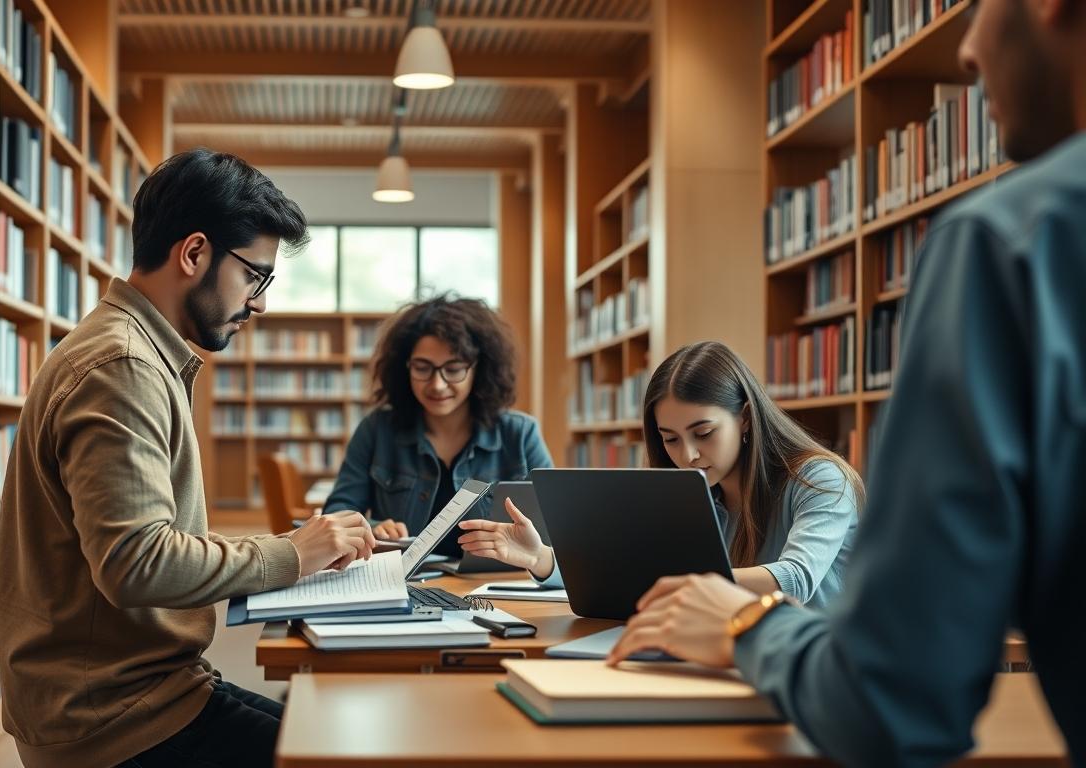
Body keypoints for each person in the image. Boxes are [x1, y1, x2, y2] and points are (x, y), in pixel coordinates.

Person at [603, 0, 1086, 763]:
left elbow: (894, 704)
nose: (966, 51)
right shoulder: (710, 501)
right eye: (670, 438)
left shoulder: (1012, 242)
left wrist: (743, 625)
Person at [0, 149, 377, 768]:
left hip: (149, 689)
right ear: (195, 253)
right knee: (345, 754)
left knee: (334, 740)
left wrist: (293, 551)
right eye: (254, 276)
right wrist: (290, 555)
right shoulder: (123, 367)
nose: (259, 303)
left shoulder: (133, 350)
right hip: (116, 718)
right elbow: (135, 562)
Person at [458, 341, 861, 608]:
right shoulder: (696, 492)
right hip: (737, 655)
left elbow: (795, 579)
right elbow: (627, 568)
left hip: (816, 674)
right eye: (670, 439)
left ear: (744, 418)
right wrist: (542, 557)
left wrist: (668, 577)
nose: (688, 455)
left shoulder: (821, 480)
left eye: (704, 433)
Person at [324, 295, 552, 557]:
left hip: (495, 580)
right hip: (405, 579)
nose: (437, 385)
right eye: (423, 368)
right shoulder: (376, 429)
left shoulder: (520, 434)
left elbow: (555, 528)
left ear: (479, 369)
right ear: (405, 368)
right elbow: (337, 513)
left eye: (453, 369)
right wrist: (372, 528)